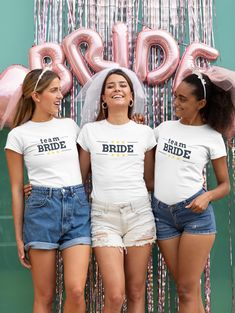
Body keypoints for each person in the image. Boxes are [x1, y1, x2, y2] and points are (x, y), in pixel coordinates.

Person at [5, 68, 91, 313]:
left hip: (76, 207)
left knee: (75, 290)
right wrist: (19, 237)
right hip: (41, 213)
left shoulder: (69, 126)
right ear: (35, 95)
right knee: (45, 297)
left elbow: (84, 164)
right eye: (53, 90)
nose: (59, 96)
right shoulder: (18, 135)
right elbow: (15, 188)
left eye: (59, 91)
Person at [152, 69, 235, 313]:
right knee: (187, 289)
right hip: (162, 215)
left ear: (201, 103)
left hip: (194, 216)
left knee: (187, 290)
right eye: (176, 97)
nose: (175, 103)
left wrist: (206, 196)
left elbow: (225, 185)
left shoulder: (212, 137)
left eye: (183, 99)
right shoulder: (163, 128)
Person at [77, 67, 157, 313]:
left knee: (135, 292)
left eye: (122, 85)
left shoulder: (145, 133)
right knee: (115, 294)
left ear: (131, 97)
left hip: (139, 215)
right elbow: (78, 178)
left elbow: (151, 181)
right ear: (102, 98)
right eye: (110, 86)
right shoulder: (90, 131)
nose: (117, 89)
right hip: (104, 218)